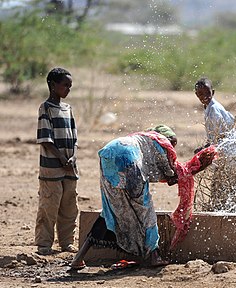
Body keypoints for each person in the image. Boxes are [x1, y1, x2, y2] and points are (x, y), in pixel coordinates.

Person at [70, 125, 216, 270]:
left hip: (108, 155)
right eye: (173, 144)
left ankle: (78, 259)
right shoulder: (161, 142)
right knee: (145, 210)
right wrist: (195, 167)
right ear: (167, 138)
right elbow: (171, 176)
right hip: (129, 161)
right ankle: (154, 256)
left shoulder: (140, 138)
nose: (172, 150)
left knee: (110, 209)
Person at [35, 67, 79, 256]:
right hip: (52, 167)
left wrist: (72, 157)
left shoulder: (68, 109)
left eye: (70, 86)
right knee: (49, 205)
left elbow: (74, 138)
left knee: (69, 205)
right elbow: (46, 139)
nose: (68, 89)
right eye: (65, 85)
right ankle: (44, 244)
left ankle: (66, 242)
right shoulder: (45, 108)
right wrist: (61, 158)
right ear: (53, 85)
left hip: (70, 166)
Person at [194, 77, 234, 153]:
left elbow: (222, 136)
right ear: (197, 95)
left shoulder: (213, 109)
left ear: (213, 92)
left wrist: (205, 148)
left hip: (227, 148)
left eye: (208, 93)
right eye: (201, 94)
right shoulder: (208, 107)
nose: (205, 96)